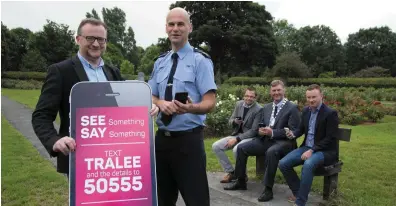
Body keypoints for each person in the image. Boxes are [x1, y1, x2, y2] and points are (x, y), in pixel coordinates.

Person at [31, 18, 159, 176]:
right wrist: (54, 140)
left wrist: (146, 108)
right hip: (80, 156)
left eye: (101, 39)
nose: (96, 44)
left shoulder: (113, 72)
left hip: (115, 156)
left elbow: (124, 108)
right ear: (78, 39)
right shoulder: (60, 71)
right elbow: (41, 115)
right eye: (90, 38)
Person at [148, 7, 217, 206]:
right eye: (172, 24)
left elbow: (209, 101)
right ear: (166, 28)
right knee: (162, 200)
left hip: (188, 143)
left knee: (197, 200)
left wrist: (190, 108)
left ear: (190, 27)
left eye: (180, 24)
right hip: (161, 142)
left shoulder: (200, 61)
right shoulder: (160, 62)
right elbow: (150, 95)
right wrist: (160, 103)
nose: (175, 29)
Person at [224, 80, 301, 203]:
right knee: (241, 148)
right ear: (271, 92)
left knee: (271, 152)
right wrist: (261, 131)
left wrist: (273, 133)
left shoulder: (292, 107)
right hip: (266, 140)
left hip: (285, 143)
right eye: (274, 90)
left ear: (284, 91)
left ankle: (268, 189)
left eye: (278, 90)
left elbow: (294, 130)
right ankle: (241, 181)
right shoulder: (266, 107)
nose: (276, 93)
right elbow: (260, 127)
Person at [279, 84, 339, 206]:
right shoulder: (306, 111)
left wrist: (312, 150)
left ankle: (300, 202)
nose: (311, 100)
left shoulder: (330, 113)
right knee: (283, 163)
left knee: (308, 164)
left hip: (325, 151)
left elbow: (330, 138)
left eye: (314, 97)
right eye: (308, 97)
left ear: (321, 96)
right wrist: (293, 134)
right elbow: (301, 129)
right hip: (307, 147)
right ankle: (298, 192)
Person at [212, 87, 262, 183]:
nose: (248, 98)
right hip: (237, 134)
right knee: (216, 146)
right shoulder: (239, 104)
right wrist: (235, 121)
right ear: (243, 96)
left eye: (252, 96)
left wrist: (237, 139)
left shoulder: (259, 109)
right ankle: (231, 172)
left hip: (250, 138)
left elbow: (254, 131)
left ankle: (242, 176)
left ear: (255, 98)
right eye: (247, 96)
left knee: (237, 149)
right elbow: (230, 120)